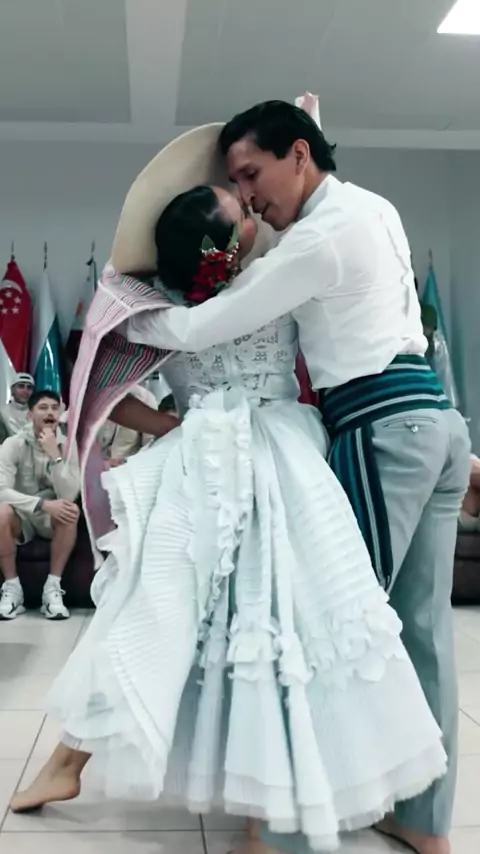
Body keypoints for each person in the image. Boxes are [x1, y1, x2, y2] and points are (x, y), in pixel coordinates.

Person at [10, 135, 448, 853]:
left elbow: (106, 390)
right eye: (239, 210)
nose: (251, 207)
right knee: (252, 617)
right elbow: (107, 394)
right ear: (225, 248)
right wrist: (172, 421)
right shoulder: (269, 278)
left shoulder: (159, 306)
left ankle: (83, 766)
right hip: (267, 452)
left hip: (209, 456)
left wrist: (171, 422)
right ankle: (248, 811)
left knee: (171, 609)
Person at [0, 389, 80, 621]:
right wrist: (41, 504)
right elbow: (1, 490)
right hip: (21, 515)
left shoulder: (69, 445)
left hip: (50, 518)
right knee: (1, 511)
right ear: (30, 415)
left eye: (55, 408)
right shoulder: (13, 444)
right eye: (43, 408)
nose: (50, 413)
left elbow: (70, 494)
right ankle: (12, 588)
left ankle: (52, 589)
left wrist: (55, 455)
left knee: (71, 510)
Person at [0, 373, 35, 443]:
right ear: (12, 390)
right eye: (21, 386)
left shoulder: (38, 411)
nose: (25, 391)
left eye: (29, 387)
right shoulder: (2, 413)